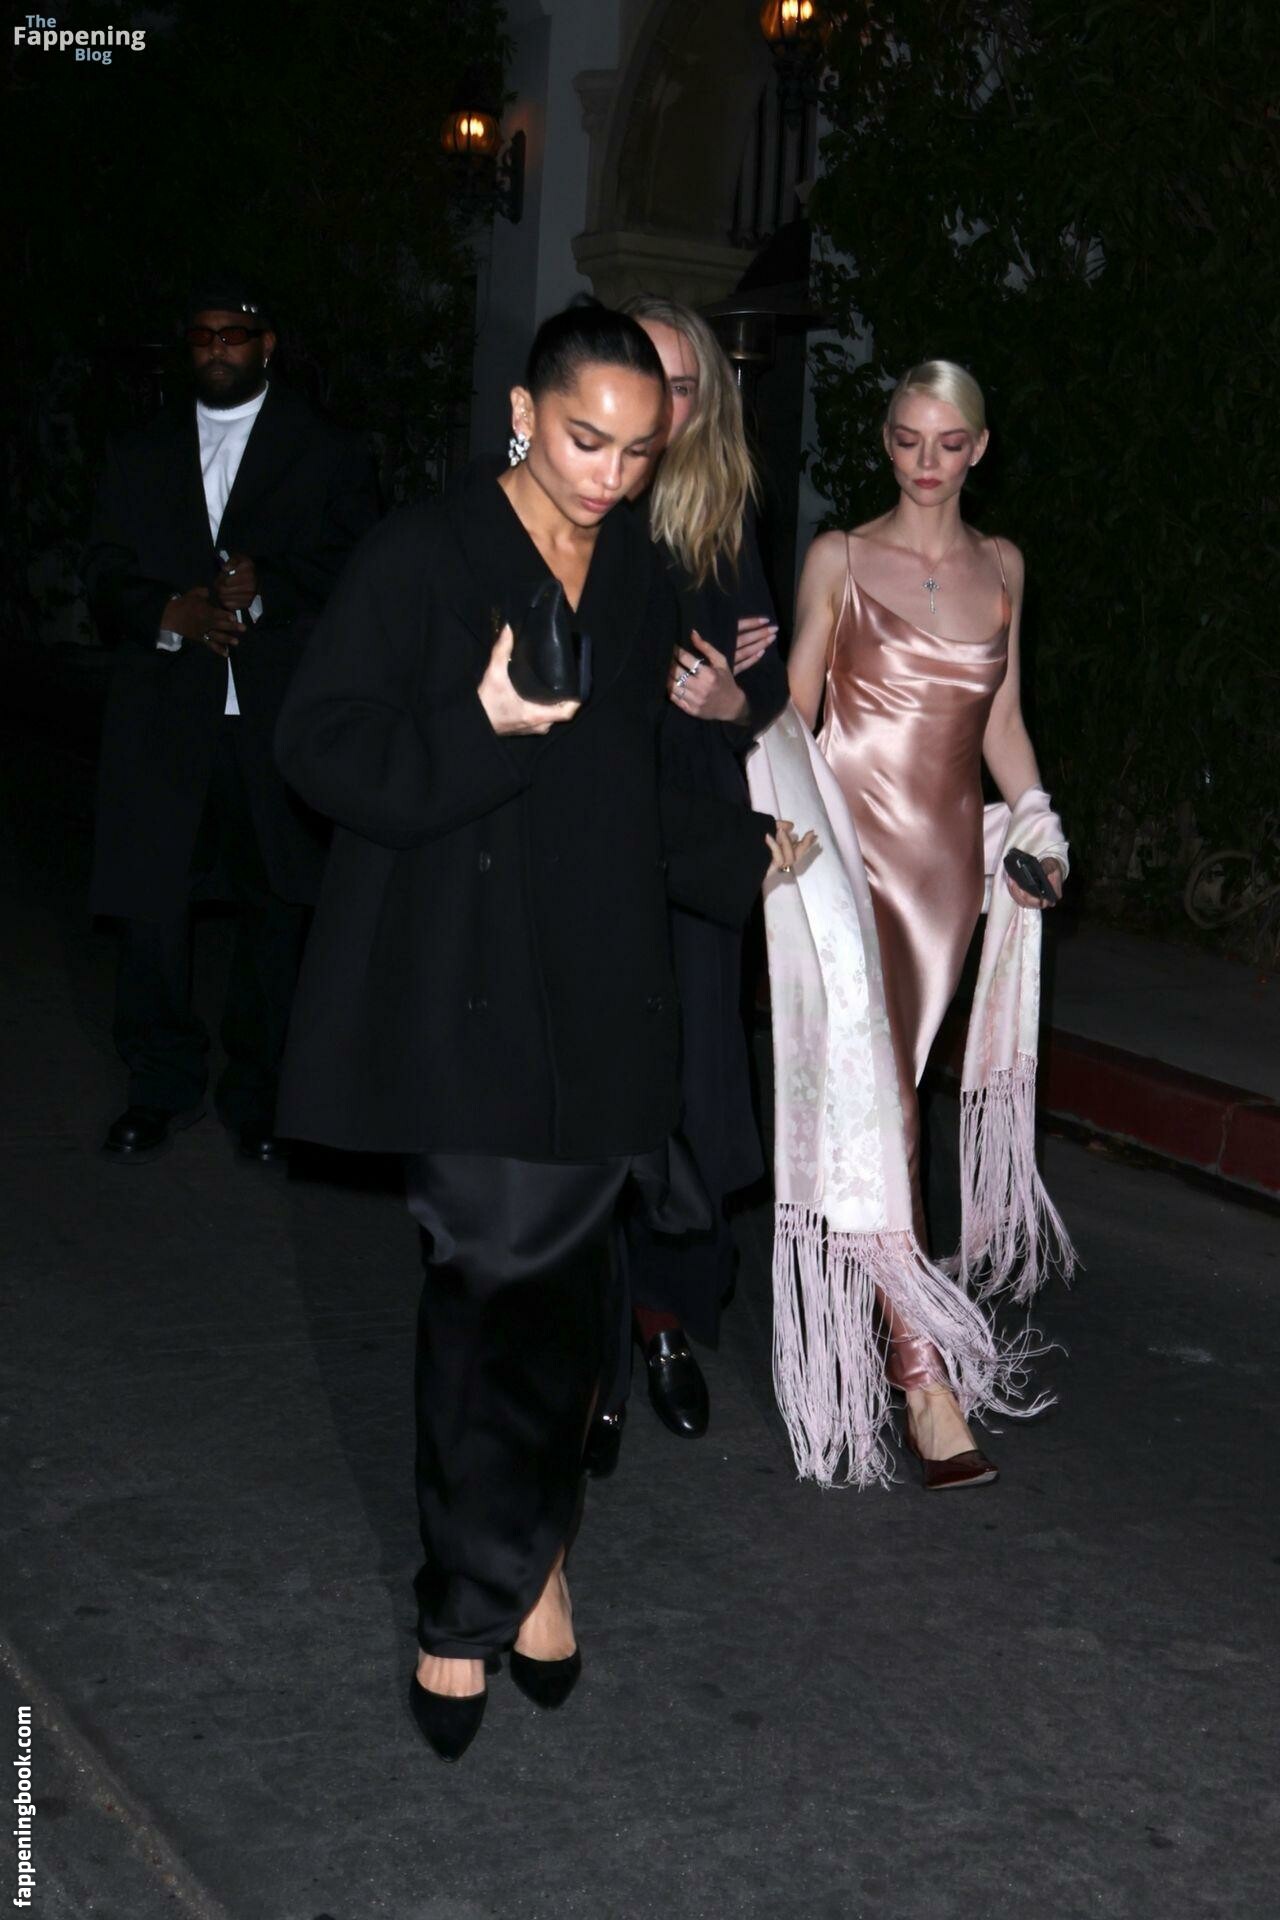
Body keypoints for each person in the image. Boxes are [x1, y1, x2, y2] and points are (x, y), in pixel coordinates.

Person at [272, 305, 811, 1761]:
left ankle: (536, 1546)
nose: (609, 477)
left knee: (567, 1300)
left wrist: (737, 856)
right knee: (487, 1280)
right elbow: (317, 744)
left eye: (637, 454)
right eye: (585, 441)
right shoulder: (423, 555)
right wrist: (482, 729)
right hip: (460, 979)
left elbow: (643, 771)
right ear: (523, 412)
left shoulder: (638, 567)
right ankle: (466, 1607)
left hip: (601, 980)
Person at [784, 358, 1068, 1490]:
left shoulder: (1003, 567)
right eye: (906, 440)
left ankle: (877, 1310)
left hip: (945, 876)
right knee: (886, 1103)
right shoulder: (840, 558)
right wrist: (779, 843)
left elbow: (1000, 721)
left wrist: (1039, 824)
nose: (924, 463)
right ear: (885, 440)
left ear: (978, 448)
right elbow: (796, 712)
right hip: (848, 862)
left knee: (895, 1088)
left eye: (948, 444)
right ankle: (921, 1380)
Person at [85, 281, 380, 1164]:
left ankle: (261, 1095)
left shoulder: (327, 449)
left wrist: (270, 587)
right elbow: (102, 569)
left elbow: (362, 567)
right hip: (162, 719)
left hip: (275, 720)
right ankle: (158, 1085)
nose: (217, 347)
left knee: (276, 911)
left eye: (235, 334)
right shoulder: (139, 449)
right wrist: (167, 611)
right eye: (204, 335)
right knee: (152, 910)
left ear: (267, 344)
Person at [583, 294, 788, 1468]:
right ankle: (591, 1353)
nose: (660, 406)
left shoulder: (721, 509)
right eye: (641, 376)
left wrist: (732, 700)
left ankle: (660, 1323)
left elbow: (765, 670)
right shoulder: (575, 494)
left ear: (705, 397)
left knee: (689, 1080)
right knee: (592, 1083)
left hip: (694, 824)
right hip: (589, 815)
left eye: (680, 384)